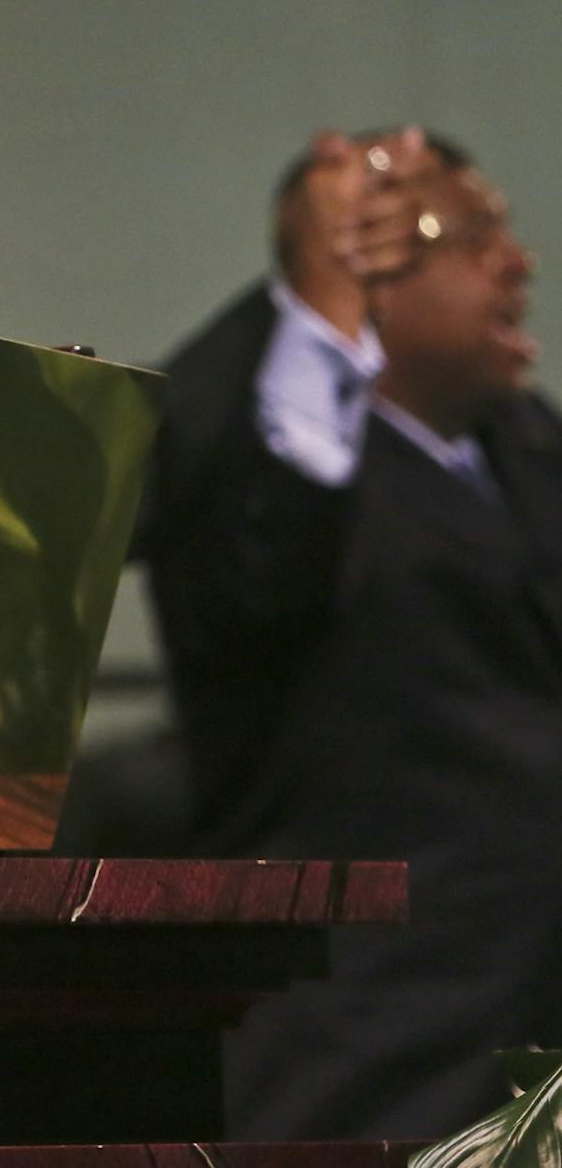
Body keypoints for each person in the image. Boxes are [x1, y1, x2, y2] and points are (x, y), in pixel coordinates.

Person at [140, 126, 562, 1139]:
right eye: (469, 235)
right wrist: (313, 310)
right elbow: (253, 556)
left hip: (530, 1033)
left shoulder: (523, 445)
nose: (518, 262)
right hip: (371, 1051)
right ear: (368, 271)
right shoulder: (275, 460)